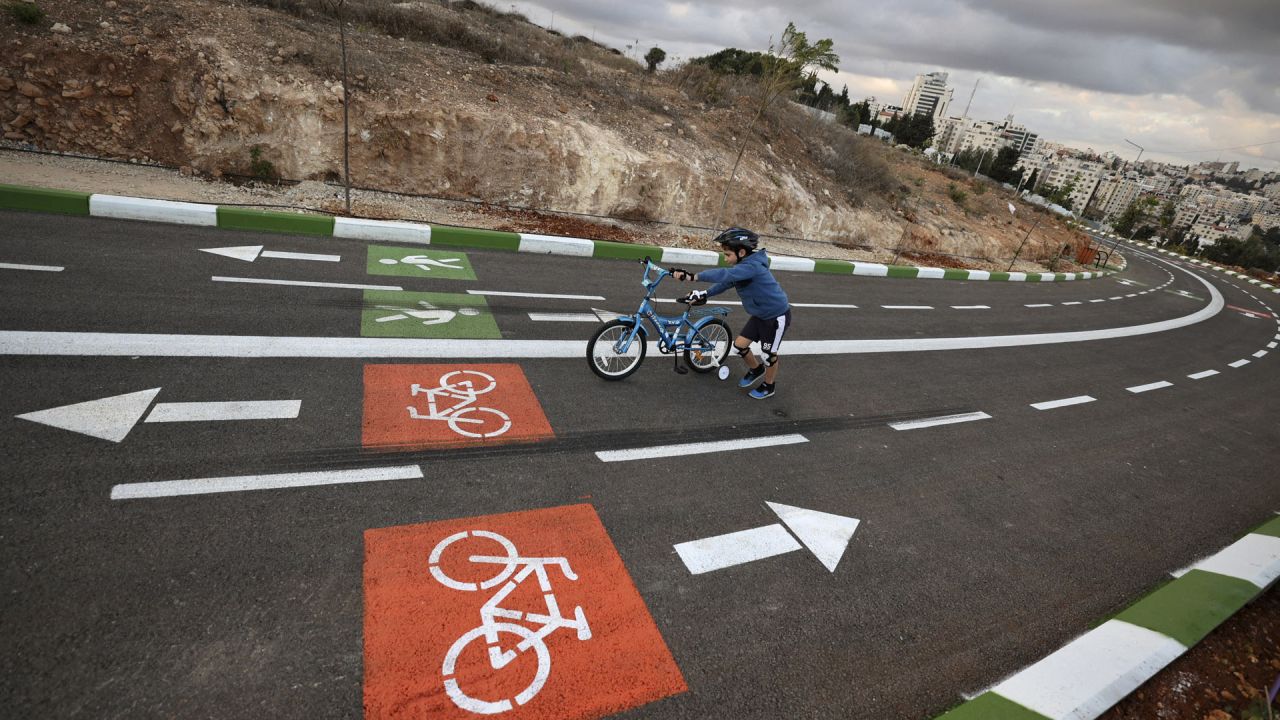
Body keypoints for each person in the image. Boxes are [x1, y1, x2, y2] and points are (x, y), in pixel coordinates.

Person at [671, 227, 792, 399]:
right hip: (760, 315)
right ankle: (756, 369)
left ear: (741, 252)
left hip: (776, 317)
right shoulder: (742, 268)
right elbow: (725, 283)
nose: (726, 259)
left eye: (728, 255)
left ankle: (769, 386)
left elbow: (724, 275)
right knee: (739, 347)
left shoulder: (752, 267)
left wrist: (693, 277)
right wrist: (705, 294)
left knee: (768, 355)